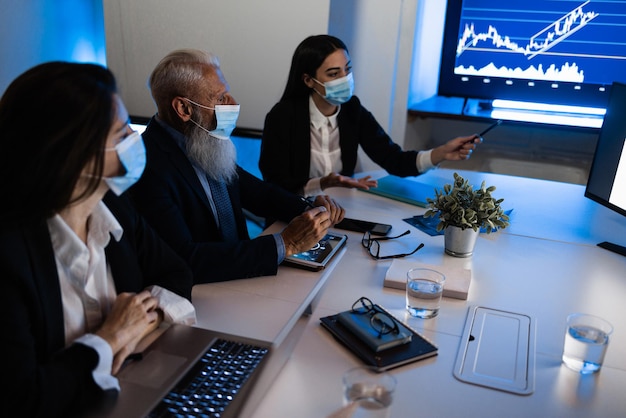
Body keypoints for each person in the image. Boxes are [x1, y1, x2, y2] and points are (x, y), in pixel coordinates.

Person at [0, 62, 196, 418]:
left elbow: (175, 272)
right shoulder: (8, 254)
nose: (134, 142)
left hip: (129, 391)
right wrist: (110, 339)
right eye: (121, 134)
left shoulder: (114, 206)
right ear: (73, 153)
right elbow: (21, 399)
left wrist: (142, 317)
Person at [129, 49, 344, 284]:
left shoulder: (201, 139)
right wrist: (286, 244)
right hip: (205, 295)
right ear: (184, 109)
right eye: (220, 98)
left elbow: (259, 194)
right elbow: (184, 258)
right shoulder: (148, 167)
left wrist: (309, 209)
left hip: (241, 275)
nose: (233, 103)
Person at [260, 34, 483, 196]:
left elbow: (394, 159)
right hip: (293, 215)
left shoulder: (352, 110)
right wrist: (322, 183)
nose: (344, 78)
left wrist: (441, 153)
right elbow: (274, 186)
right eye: (333, 73)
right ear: (309, 80)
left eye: (347, 69)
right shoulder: (282, 117)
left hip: (340, 211)